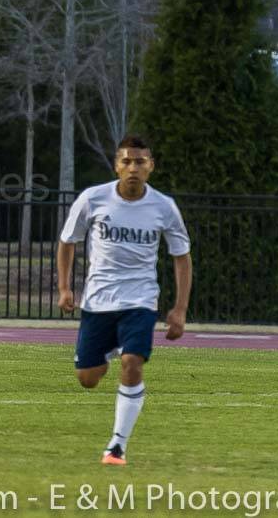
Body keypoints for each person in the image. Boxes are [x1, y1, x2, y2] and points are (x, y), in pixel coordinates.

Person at [57, 134, 192, 465]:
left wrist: (179, 309)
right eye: (127, 161)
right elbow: (67, 241)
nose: (133, 168)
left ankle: (117, 446)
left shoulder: (164, 206)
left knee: (133, 363)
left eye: (140, 162)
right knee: (88, 378)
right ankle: (109, 348)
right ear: (117, 166)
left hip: (141, 300)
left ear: (151, 167)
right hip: (98, 301)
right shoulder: (93, 199)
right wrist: (64, 288)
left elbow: (181, 256)